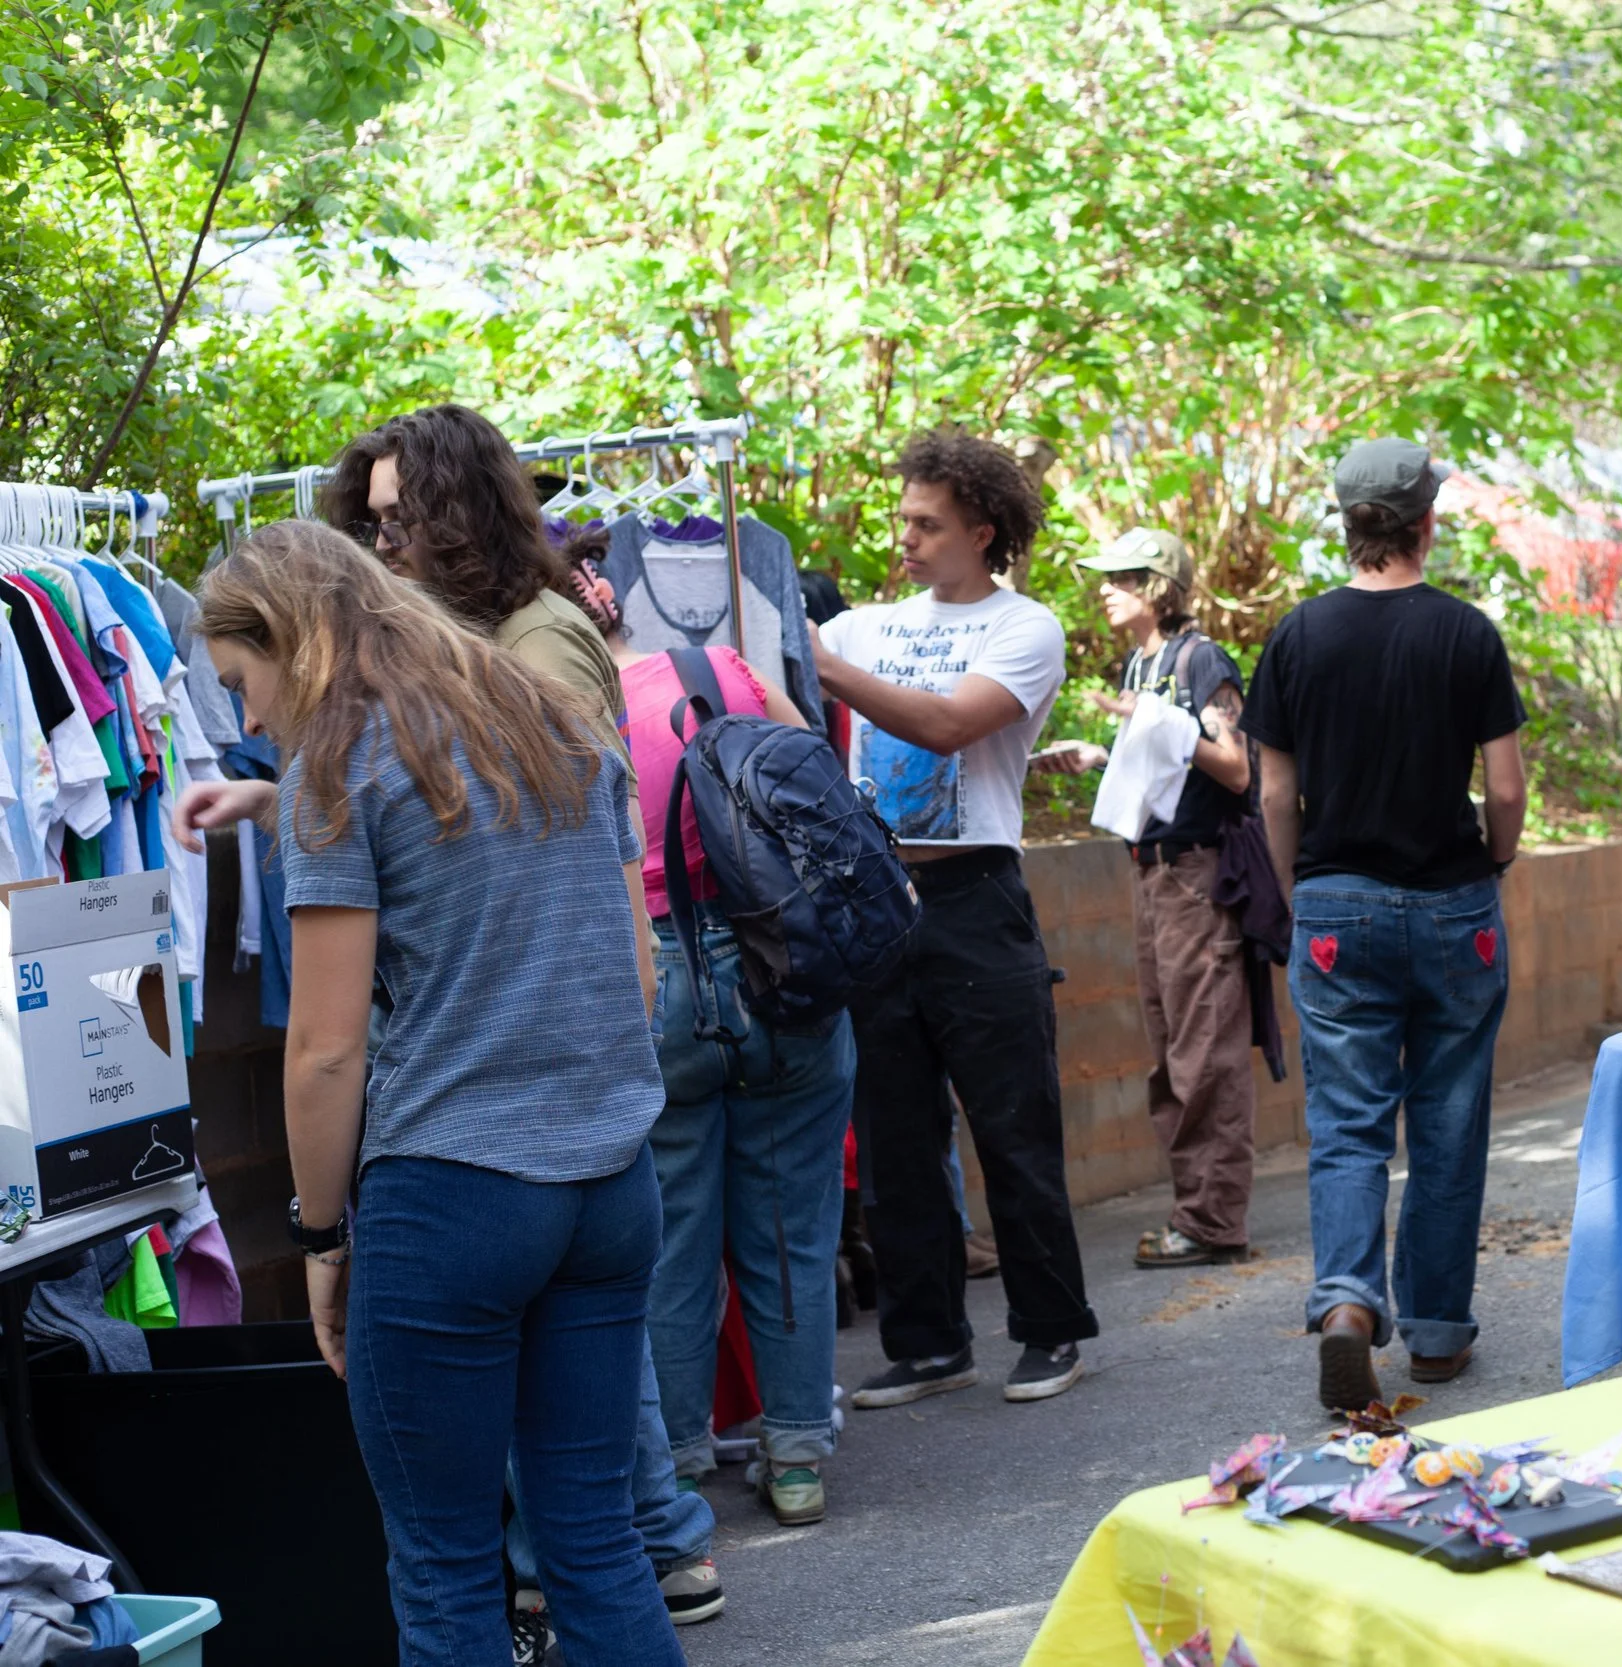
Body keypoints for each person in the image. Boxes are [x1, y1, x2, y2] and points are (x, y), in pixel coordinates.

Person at [175, 410, 720, 1653]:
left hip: (453, 1193)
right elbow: (632, 962)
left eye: (243, 683)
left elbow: (323, 1050)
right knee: (595, 1540)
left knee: (444, 1563)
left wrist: (321, 1235)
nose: (252, 715)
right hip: (607, 1181)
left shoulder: (339, 766)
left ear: (292, 644)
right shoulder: (549, 716)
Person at [567, 557, 858, 1530]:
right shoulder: (723, 671)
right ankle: (798, 1457)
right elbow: (819, 782)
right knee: (791, 1227)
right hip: (782, 969)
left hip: (653, 986)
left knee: (671, 1241)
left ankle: (682, 1465)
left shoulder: (559, 718)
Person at [812, 429, 1098, 1407]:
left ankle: (1051, 1330)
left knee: (1014, 1125)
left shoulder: (1026, 628)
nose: (907, 538)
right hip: (876, 899)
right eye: (904, 520)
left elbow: (945, 725)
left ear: (982, 532)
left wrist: (823, 665)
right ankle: (929, 1343)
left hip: (976, 896)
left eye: (928, 524)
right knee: (895, 1135)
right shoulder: (864, 627)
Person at [1242, 437, 1527, 1410]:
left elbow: (1274, 794)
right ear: (1424, 522)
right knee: (1447, 1121)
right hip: (1454, 907)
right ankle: (1438, 1333)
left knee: (1347, 1125)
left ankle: (1347, 1303)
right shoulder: (1466, 633)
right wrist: (1493, 860)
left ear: (1347, 523)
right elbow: (1505, 787)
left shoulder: (1297, 636)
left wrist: (1297, 892)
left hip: (1334, 905)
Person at [1033, 528, 1260, 1267]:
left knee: (1204, 1052)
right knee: (1171, 1052)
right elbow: (1164, 766)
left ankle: (1212, 1220)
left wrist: (1162, 725)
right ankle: (1194, 1212)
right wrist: (1102, 754)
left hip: (1196, 876)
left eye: (1124, 576)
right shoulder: (1142, 661)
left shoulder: (1200, 660)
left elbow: (1234, 767)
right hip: (1150, 873)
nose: (1106, 588)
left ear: (1159, 585)